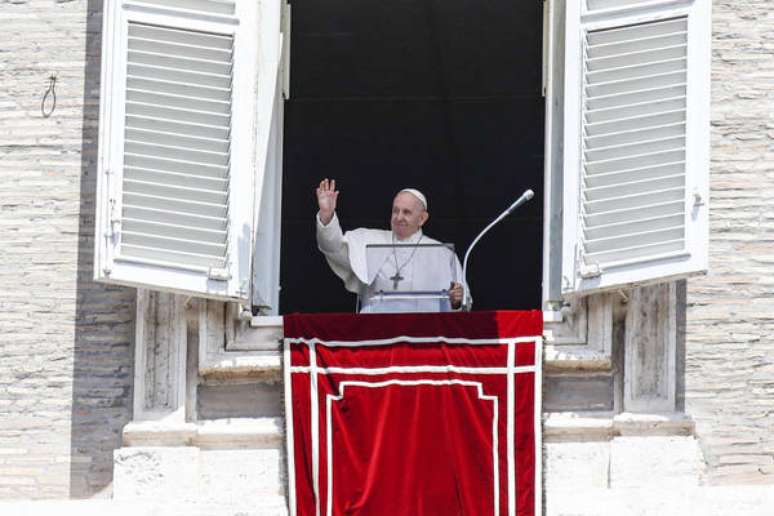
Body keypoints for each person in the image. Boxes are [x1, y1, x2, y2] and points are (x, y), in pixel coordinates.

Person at [315, 178, 465, 313]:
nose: (399, 217)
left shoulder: (442, 254)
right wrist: (327, 215)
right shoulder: (369, 240)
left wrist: (456, 302)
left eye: (406, 212)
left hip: (425, 334)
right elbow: (333, 248)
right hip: (378, 332)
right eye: (395, 211)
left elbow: (461, 305)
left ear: (422, 218)